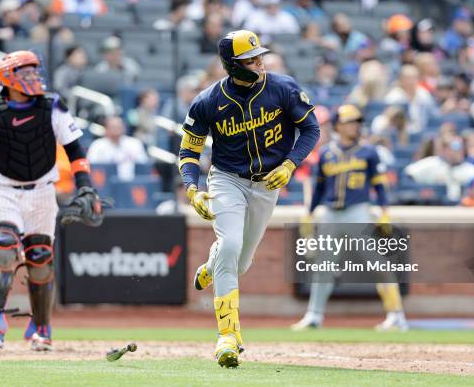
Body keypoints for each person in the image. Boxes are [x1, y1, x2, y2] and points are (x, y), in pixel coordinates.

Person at [0, 51, 102, 352]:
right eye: (24, 73)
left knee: (40, 256)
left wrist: (85, 186)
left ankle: (41, 328)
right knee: (3, 245)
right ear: (7, 78)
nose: (32, 78)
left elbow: (76, 150)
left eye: (33, 72)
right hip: (5, 190)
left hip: (43, 190)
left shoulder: (53, 106)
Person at [179, 30, 319, 367]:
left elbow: (311, 129)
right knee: (230, 246)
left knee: (238, 262)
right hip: (228, 180)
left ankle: (212, 266)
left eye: (259, 57)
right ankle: (228, 336)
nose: (259, 63)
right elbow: (189, 151)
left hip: (269, 183)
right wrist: (192, 187)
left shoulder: (283, 87)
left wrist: (290, 165)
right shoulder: (207, 101)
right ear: (232, 65)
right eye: (250, 59)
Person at [291, 104, 408, 332]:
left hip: (358, 211)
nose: (355, 126)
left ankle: (397, 316)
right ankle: (314, 315)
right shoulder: (326, 153)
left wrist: (384, 210)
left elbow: (380, 185)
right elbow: (319, 188)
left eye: (356, 121)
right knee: (323, 266)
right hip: (331, 213)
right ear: (338, 125)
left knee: (378, 263)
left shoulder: (369, 152)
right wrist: (310, 211)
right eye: (350, 121)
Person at [87, 115, 149, 181]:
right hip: (106, 184)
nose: (116, 129)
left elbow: (143, 166)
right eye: (113, 127)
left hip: (130, 184)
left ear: (124, 128)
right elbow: (91, 167)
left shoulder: (134, 143)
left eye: (119, 127)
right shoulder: (97, 145)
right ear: (106, 129)